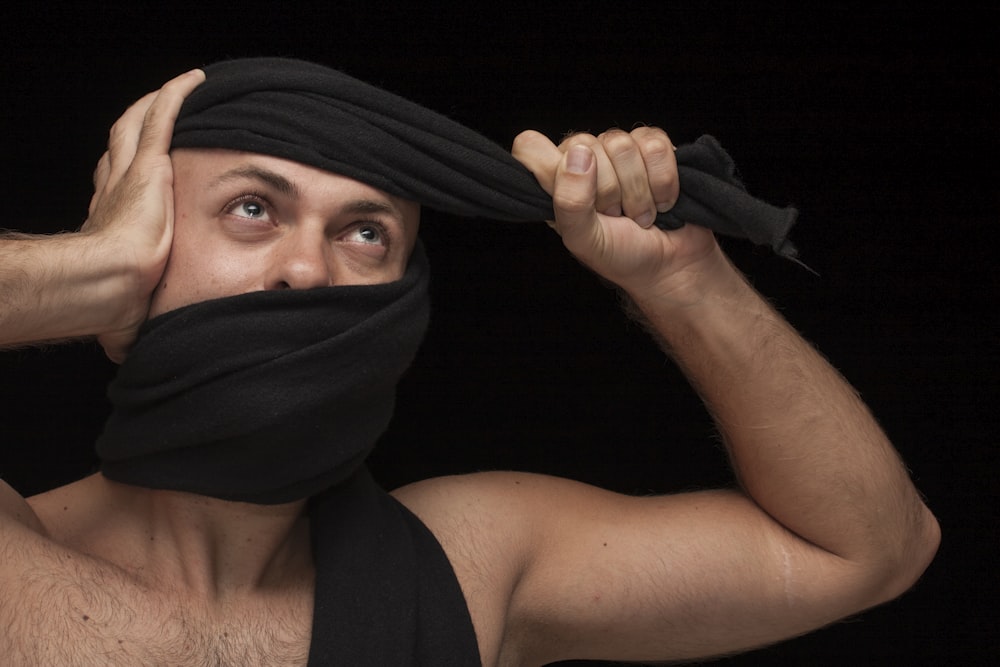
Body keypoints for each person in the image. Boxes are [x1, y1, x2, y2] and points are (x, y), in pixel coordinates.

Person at [0, 61, 939, 666]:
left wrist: (686, 281)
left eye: (366, 233)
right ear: (144, 239)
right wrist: (90, 271)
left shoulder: (472, 565)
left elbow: (865, 549)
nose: (305, 267)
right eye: (253, 208)